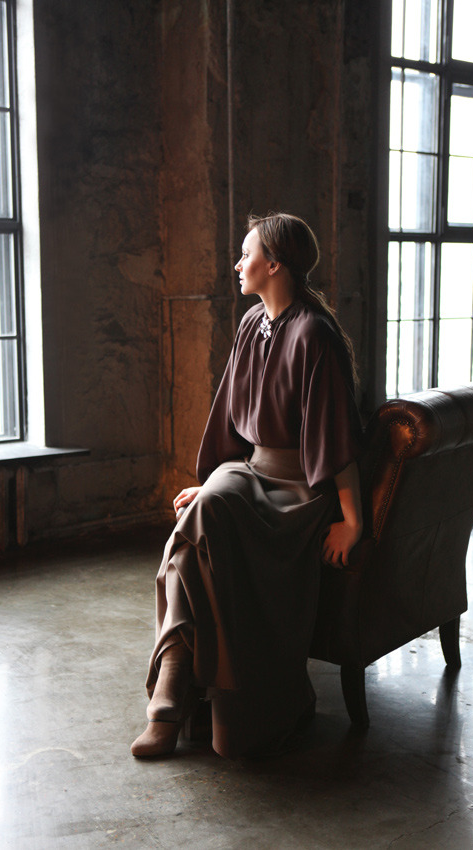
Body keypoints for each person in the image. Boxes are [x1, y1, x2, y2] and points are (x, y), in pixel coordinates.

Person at [131, 212, 363, 759]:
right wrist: (214, 486)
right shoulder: (249, 323)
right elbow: (230, 425)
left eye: (246, 254)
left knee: (195, 534)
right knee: (202, 515)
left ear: (274, 264)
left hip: (296, 491)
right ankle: (168, 698)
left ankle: (172, 701)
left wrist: (352, 521)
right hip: (248, 472)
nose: (237, 264)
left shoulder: (315, 335)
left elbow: (337, 440)